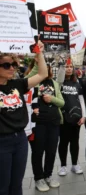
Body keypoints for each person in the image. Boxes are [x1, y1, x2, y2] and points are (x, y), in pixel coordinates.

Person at [0, 42, 48, 195]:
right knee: (3, 185)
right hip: (2, 142)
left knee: (17, 184)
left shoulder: (18, 84)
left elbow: (42, 74)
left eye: (14, 64)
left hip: (20, 139)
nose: (12, 68)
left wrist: (38, 53)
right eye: (6, 65)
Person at [26, 63, 64, 191]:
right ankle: (38, 178)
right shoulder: (30, 82)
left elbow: (62, 102)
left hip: (53, 122)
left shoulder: (54, 83)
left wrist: (52, 99)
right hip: (37, 124)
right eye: (40, 67)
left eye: (46, 68)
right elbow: (25, 100)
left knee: (51, 151)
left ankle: (48, 175)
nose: (44, 70)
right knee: (38, 152)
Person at [58, 61, 86, 176]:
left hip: (76, 117)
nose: (69, 69)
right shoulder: (59, 82)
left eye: (70, 67)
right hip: (63, 118)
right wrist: (62, 65)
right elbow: (59, 80)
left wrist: (84, 116)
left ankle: (75, 164)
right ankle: (63, 166)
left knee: (75, 142)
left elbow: (81, 100)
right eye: (66, 67)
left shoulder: (77, 82)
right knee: (63, 142)